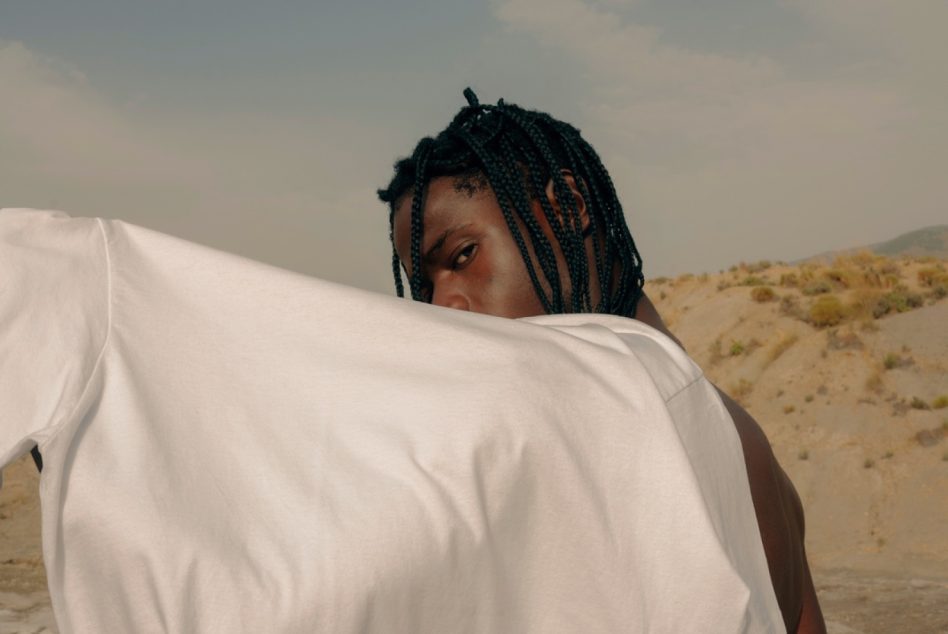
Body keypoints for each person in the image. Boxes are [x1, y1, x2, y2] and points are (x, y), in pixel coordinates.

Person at [378, 88, 826, 633]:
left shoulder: (615, 432)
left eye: (462, 256)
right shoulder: (743, 441)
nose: (445, 307)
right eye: (424, 290)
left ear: (568, 207)